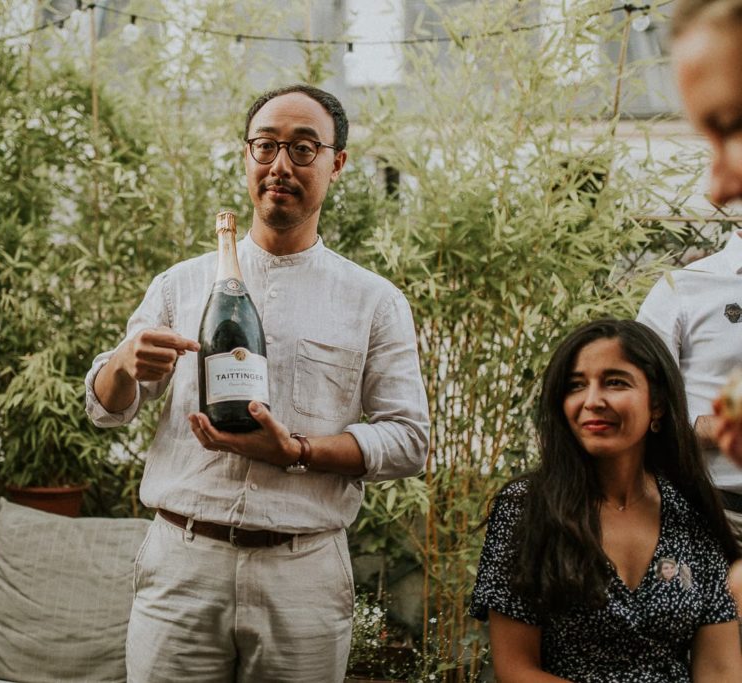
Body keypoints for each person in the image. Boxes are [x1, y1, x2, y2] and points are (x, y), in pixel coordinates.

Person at [84, 84, 429, 682]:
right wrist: (121, 363)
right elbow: (106, 409)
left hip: (304, 574)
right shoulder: (180, 286)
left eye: (302, 149)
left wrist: (297, 451)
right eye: (265, 146)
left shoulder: (374, 301)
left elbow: (408, 441)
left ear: (336, 162)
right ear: (246, 155)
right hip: (182, 566)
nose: (279, 166)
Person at [470, 319, 741, 681]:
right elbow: (516, 669)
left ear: (657, 404)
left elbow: (720, 669)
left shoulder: (691, 512)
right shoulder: (527, 509)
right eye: (576, 386)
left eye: (615, 382)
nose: (592, 401)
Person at [638, 0, 742, 531]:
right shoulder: (684, 289)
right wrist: (704, 425)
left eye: (733, 127)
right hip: (711, 514)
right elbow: (635, 406)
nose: (716, 189)